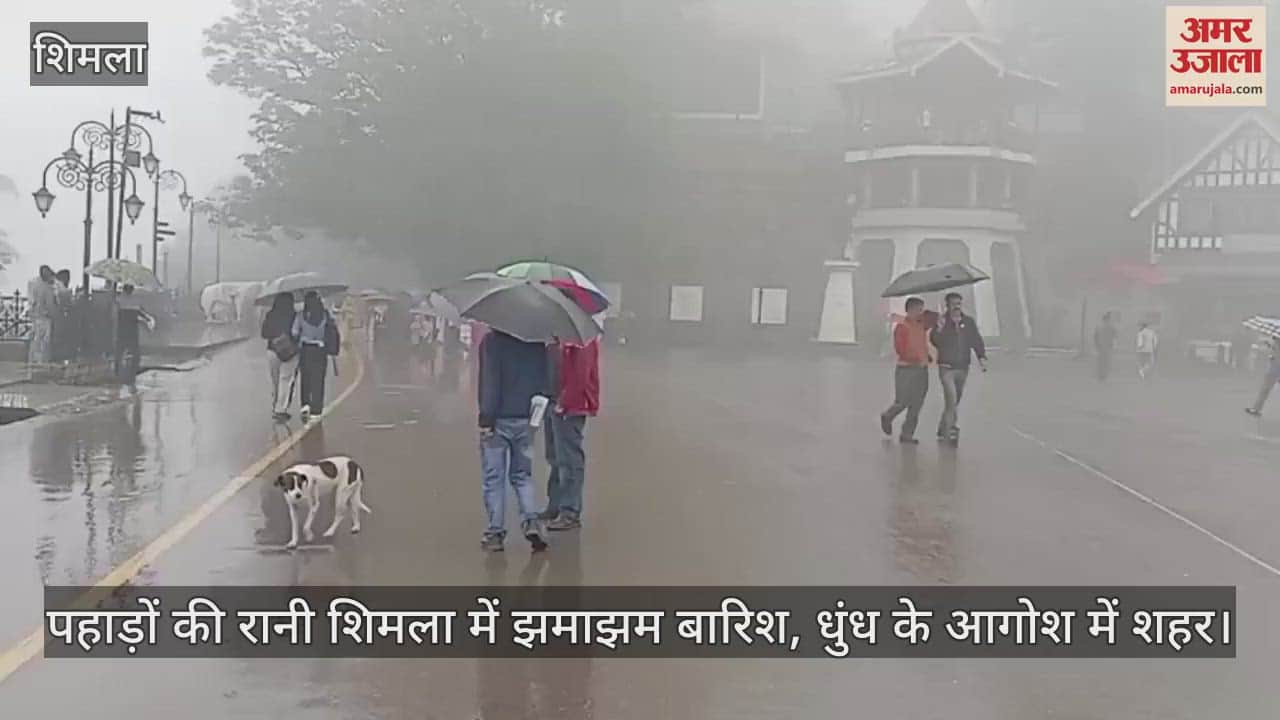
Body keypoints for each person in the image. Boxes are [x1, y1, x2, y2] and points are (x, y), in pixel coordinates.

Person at [476, 328, 550, 553]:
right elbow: (547, 381)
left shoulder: (492, 342)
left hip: (498, 419)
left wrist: (485, 419)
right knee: (522, 476)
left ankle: (495, 533)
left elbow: (490, 381)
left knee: (494, 479)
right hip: (526, 419)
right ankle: (531, 520)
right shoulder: (537, 342)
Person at [541, 336, 601, 531]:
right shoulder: (554, 337)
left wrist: (565, 403)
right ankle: (555, 505)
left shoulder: (582, 339)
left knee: (569, 459)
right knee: (554, 457)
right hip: (552, 400)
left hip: (570, 407)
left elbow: (581, 376)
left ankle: (570, 511)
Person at [931, 292, 987, 446]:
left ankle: (943, 427)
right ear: (947, 305)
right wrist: (939, 330)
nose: (956, 306)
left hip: (963, 367)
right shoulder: (942, 322)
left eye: (959, 303)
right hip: (946, 367)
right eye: (953, 303)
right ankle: (952, 430)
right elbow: (935, 341)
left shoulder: (968, 322)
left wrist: (982, 357)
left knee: (955, 401)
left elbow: (976, 340)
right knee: (951, 399)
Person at [880, 297, 936, 445]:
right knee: (902, 401)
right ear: (910, 310)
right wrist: (917, 356)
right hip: (906, 369)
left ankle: (907, 434)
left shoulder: (921, 325)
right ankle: (888, 416)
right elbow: (901, 349)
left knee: (917, 404)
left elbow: (935, 318)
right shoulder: (901, 327)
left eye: (922, 309)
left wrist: (926, 356)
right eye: (918, 309)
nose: (921, 312)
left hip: (921, 369)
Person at [291, 291, 340, 422]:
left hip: (305, 350)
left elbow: (294, 332)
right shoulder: (325, 315)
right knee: (318, 379)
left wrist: (302, 335)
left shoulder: (301, 315)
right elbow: (331, 330)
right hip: (320, 350)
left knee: (306, 377)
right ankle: (316, 409)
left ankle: (305, 404)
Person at [261, 293, 298, 421]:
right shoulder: (294, 315)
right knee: (286, 380)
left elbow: (264, 333)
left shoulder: (271, 315)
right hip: (290, 351)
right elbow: (296, 332)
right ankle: (280, 409)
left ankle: (275, 405)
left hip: (272, 350)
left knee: (275, 381)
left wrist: (276, 336)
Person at [114, 284, 154, 384]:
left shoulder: (119, 300)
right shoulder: (133, 301)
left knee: (120, 351)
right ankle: (133, 371)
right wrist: (147, 318)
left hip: (122, 330)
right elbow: (139, 312)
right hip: (131, 330)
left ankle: (117, 370)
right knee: (134, 352)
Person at [26, 265, 56, 365]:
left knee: (36, 340)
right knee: (44, 341)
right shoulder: (47, 287)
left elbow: (31, 300)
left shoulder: (34, 283)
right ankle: (41, 362)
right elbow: (50, 304)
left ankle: (33, 360)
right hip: (44, 317)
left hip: (36, 316)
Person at [1246, 336, 1280, 416]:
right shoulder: (1275, 346)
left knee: (1264, 390)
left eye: (1274, 339)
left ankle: (1256, 409)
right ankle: (1256, 409)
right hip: (1272, 372)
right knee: (1264, 391)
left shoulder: (1276, 347)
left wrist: (1272, 357)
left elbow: (1275, 358)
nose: (1273, 340)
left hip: (1273, 372)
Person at [1094, 312, 1118, 381]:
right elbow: (1115, 336)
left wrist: (1096, 345)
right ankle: (1103, 375)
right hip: (1106, 346)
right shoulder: (1111, 327)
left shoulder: (1099, 326)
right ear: (1108, 319)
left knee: (1101, 361)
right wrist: (1113, 344)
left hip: (1101, 346)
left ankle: (1101, 374)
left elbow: (1095, 336)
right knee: (1106, 361)